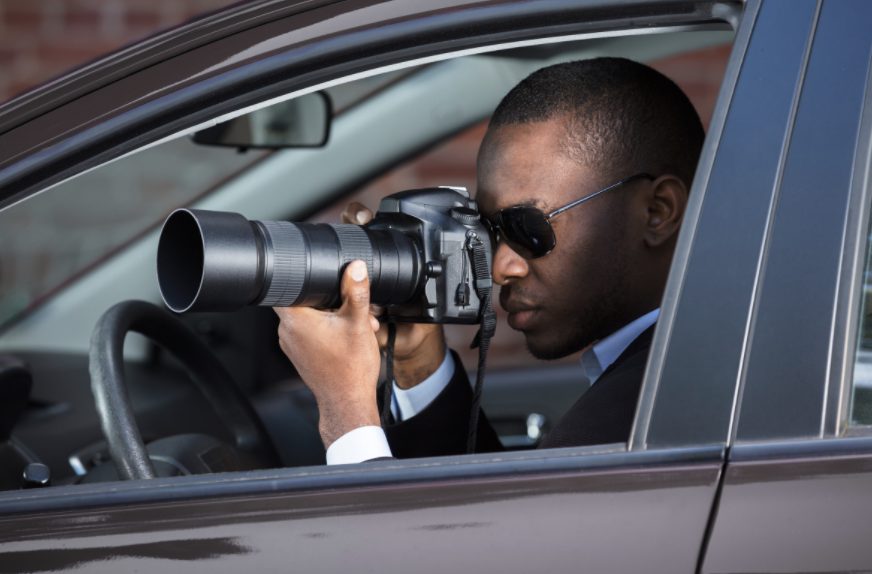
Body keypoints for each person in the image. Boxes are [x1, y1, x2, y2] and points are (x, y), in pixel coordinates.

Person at [275, 57, 704, 463]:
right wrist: (418, 362)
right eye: (489, 229)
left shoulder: (666, 405)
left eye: (528, 227)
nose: (500, 268)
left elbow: (447, 543)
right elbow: (489, 516)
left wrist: (345, 411)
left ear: (657, 211)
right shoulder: (686, 363)